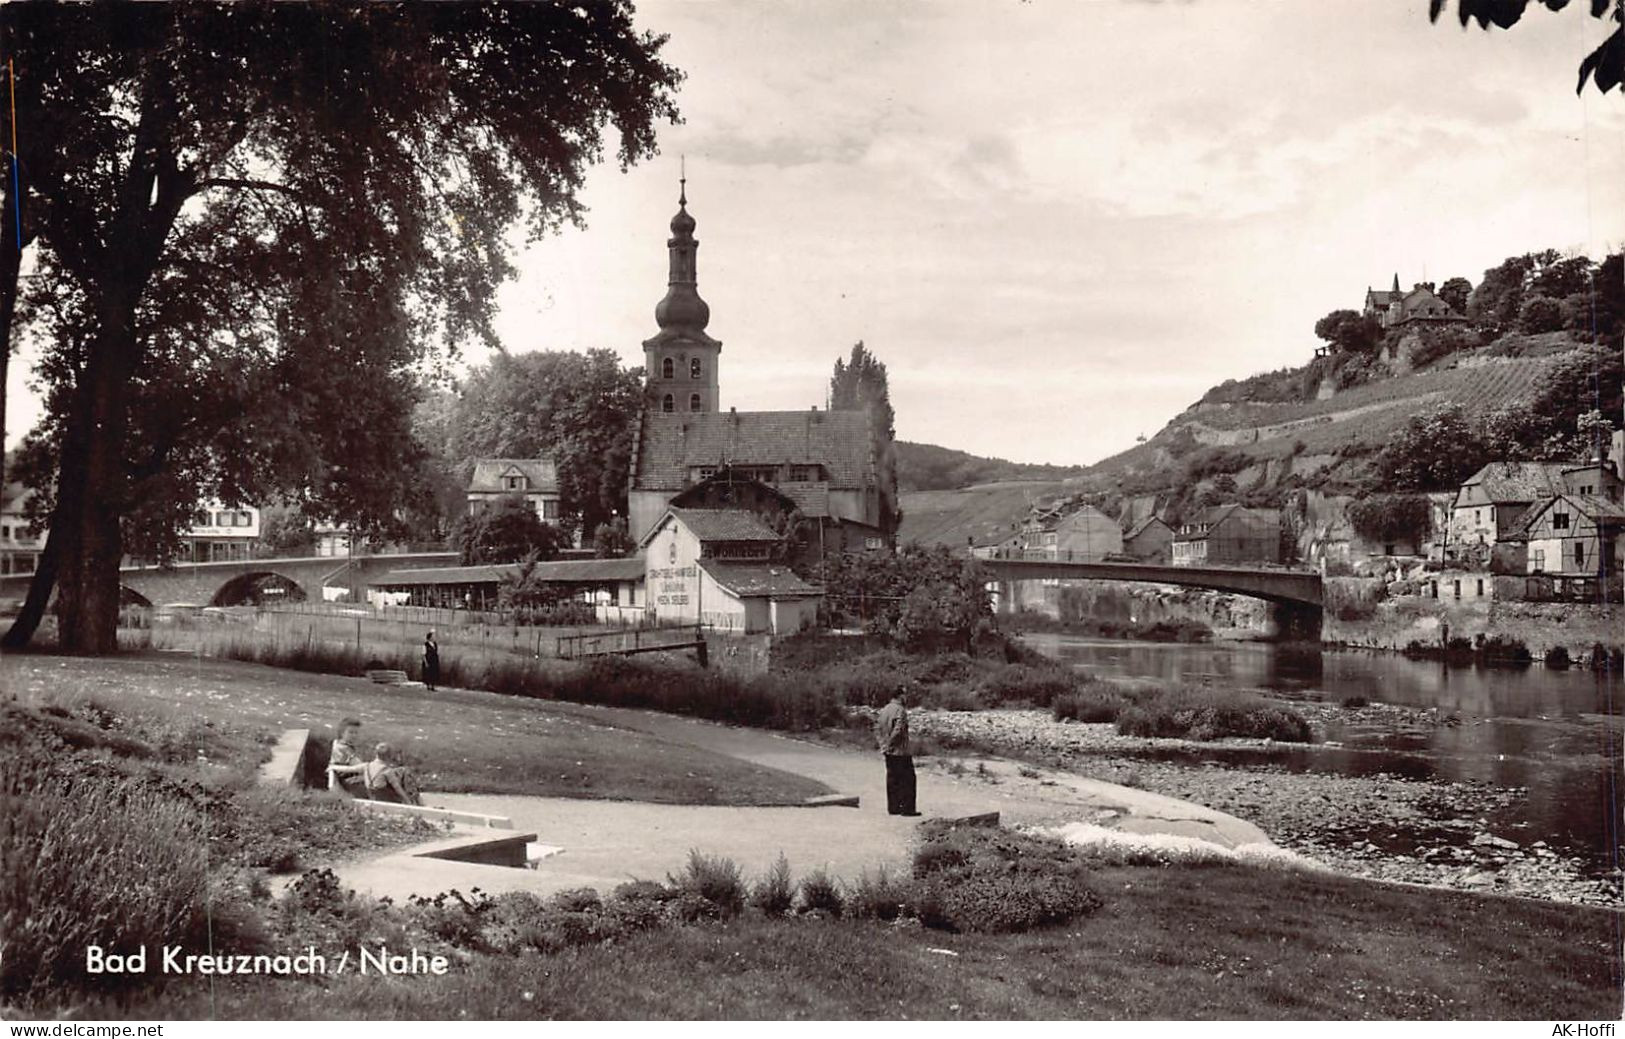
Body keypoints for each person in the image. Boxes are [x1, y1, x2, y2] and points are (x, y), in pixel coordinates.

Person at [331, 742, 423, 805]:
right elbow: (398, 789)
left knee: (401, 771)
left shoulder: (366, 766)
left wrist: (333, 767)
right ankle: (418, 802)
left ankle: (417, 799)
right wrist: (408, 802)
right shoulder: (387, 771)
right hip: (387, 800)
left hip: (373, 797)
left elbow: (349, 769)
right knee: (405, 773)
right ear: (389, 757)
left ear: (376, 754)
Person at [876, 687, 919, 817]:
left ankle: (893, 807)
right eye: (905, 695)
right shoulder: (900, 710)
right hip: (900, 750)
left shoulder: (885, 709)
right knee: (908, 779)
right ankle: (907, 808)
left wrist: (882, 745)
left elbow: (877, 728)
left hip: (887, 750)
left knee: (892, 778)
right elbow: (898, 730)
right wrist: (890, 744)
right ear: (900, 696)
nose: (907, 698)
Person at [327, 716, 366, 797]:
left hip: (348, 776)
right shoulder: (343, 748)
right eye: (351, 732)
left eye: (356, 733)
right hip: (346, 780)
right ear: (342, 733)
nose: (354, 735)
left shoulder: (340, 744)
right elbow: (357, 765)